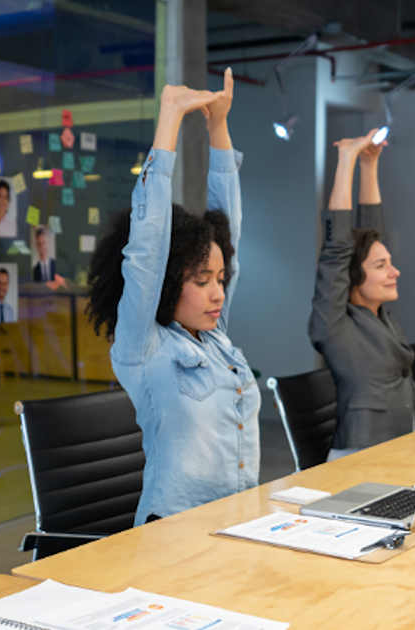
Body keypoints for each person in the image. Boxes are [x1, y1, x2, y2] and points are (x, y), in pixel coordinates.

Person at [87, 69, 259, 526]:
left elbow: (230, 227)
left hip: (236, 524)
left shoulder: (215, 337)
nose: (218, 292)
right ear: (167, 283)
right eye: (202, 280)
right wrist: (169, 119)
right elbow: (147, 250)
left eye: (221, 279)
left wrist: (218, 126)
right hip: (174, 536)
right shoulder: (144, 347)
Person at [309, 129, 415, 461]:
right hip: (361, 458)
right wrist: (346, 159)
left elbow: (371, 234)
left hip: (401, 448)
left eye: (391, 263)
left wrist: (369, 166)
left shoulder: (378, 318)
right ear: (354, 276)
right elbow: (337, 251)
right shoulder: (334, 324)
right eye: (382, 265)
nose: (395, 271)